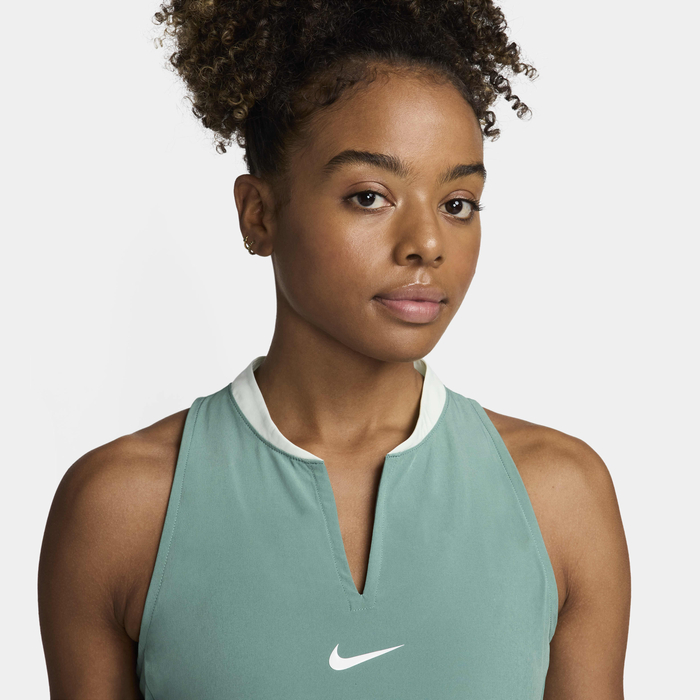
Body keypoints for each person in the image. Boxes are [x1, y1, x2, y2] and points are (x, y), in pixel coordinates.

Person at [37, 1, 631, 698]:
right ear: (259, 213)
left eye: (458, 203)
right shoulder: (121, 510)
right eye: (371, 197)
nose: (427, 243)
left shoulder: (560, 498)